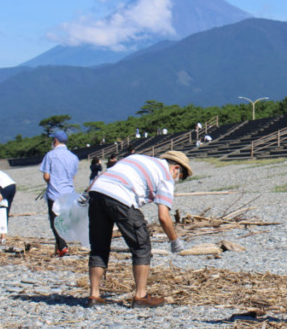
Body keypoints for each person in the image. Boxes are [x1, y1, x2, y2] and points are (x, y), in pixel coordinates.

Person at [83, 150, 193, 308]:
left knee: (99, 246)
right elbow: (163, 216)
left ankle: (94, 295)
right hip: (121, 197)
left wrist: (86, 193)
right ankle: (141, 296)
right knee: (142, 245)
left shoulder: (136, 158)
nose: (176, 179)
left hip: (97, 193)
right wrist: (174, 240)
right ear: (176, 168)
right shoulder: (166, 177)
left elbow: (106, 174)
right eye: (180, 176)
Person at [40, 130, 80, 257]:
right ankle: (59, 247)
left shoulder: (51, 155)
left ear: (55, 141)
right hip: (69, 192)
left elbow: (46, 176)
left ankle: (62, 247)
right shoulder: (74, 157)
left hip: (54, 192)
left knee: (54, 221)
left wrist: (51, 182)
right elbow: (73, 177)